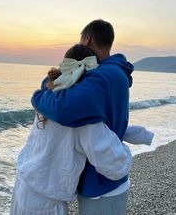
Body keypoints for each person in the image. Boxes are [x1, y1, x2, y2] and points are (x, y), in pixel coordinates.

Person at [11, 43, 153, 215]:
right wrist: (125, 150)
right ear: (90, 72)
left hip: (24, 182)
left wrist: (127, 132)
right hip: (46, 200)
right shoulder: (80, 115)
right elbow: (113, 164)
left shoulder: (51, 95)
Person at [31, 19, 135, 214]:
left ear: (87, 39)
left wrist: (37, 96)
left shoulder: (102, 76)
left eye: (80, 40)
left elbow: (63, 108)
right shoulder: (112, 72)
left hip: (103, 183)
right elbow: (65, 79)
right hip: (105, 176)